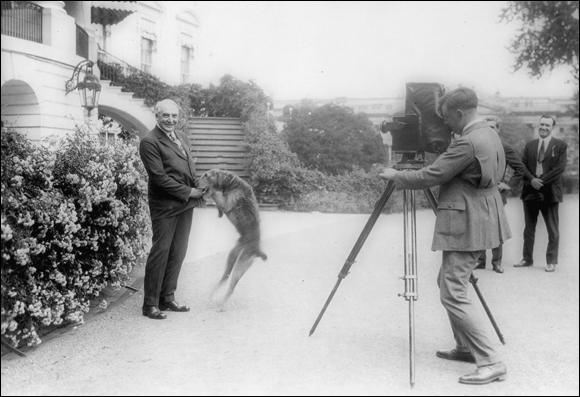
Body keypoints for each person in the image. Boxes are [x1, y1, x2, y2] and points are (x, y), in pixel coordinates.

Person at [380, 87, 510, 385]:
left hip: (467, 221)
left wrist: (395, 176)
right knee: (448, 282)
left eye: (447, 117)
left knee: (452, 292)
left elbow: (431, 175)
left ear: (460, 113)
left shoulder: (466, 143)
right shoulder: (490, 133)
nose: (446, 124)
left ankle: (490, 360)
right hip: (482, 217)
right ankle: (465, 347)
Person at [139, 99, 206, 320]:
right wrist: (189, 192)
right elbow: (159, 178)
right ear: (156, 116)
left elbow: (188, 168)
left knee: (178, 252)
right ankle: (150, 304)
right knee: (161, 252)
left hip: (185, 204)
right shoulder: (149, 142)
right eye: (165, 115)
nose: (170, 120)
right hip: (165, 205)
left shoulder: (182, 138)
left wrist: (199, 186)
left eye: (174, 116)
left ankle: (167, 298)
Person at [513, 115, 567, 273]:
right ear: (538, 126)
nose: (543, 128)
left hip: (550, 192)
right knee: (529, 228)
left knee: (553, 229)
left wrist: (540, 181)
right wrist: (532, 180)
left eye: (547, 125)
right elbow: (522, 165)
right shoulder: (530, 145)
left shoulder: (560, 145)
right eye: (542, 124)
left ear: (552, 128)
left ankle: (551, 261)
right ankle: (527, 259)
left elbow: (559, 169)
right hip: (530, 191)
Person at [475, 115, 525, 274]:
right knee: (480, 227)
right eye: (486, 127)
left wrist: (508, 185)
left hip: (497, 194)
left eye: (492, 127)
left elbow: (520, 169)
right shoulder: (478, 145)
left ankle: (496, 262)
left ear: (498, 129)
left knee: (496, 229)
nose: (489, 130)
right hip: (480, 194)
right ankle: (480, 261)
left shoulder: (505, 147)